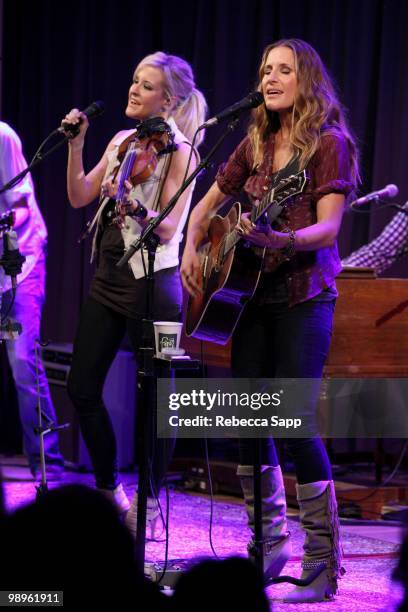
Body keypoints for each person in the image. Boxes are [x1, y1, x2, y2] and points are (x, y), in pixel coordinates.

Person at [181, 39, 359, 602]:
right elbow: (210, 199)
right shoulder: (256, 138)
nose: (271, 78)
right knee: (248, 425)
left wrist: (281, 237)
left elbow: (328, 230)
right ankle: (269, 542)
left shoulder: (329, 144)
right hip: (249, 299)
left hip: (305, 297)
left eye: (284, 70)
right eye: (265, 70)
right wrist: (192, 245)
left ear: (307, 79)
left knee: (294, 423)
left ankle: (324, 562)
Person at [63, 52, 207, 537]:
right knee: (81, 387)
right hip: (108, 279)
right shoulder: (124, 140)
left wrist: (131, 205)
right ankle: (110, 490)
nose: (133, 90)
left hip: (154, 286)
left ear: (168, 99)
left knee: (158, 404)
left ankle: (146, 503)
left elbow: (168, 229)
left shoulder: (181, 151)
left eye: (145, 86)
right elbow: (80, 196)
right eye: (133, 81)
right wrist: (77, 145)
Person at [0, 121, 64, 480]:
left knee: (22, 359)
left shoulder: (3, 137)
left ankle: (48, 466)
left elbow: (21, 205)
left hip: (18, 266)